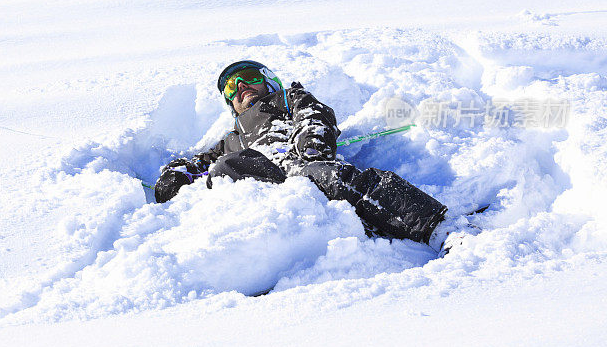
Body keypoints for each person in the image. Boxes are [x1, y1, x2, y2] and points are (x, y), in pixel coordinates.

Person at [154, 60, 472, 253]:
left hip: (299, 164)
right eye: (232, 89)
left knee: (328, 175)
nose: (241, 88)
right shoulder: (231, 142)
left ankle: (439, 228)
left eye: (248, 78)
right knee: (225, 166)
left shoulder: (288, 99)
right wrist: (175, 177)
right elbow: (197, 166)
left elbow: (314, 116)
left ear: (266, 80)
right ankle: (246, 250)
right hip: (258, 189)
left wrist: (311, 145)